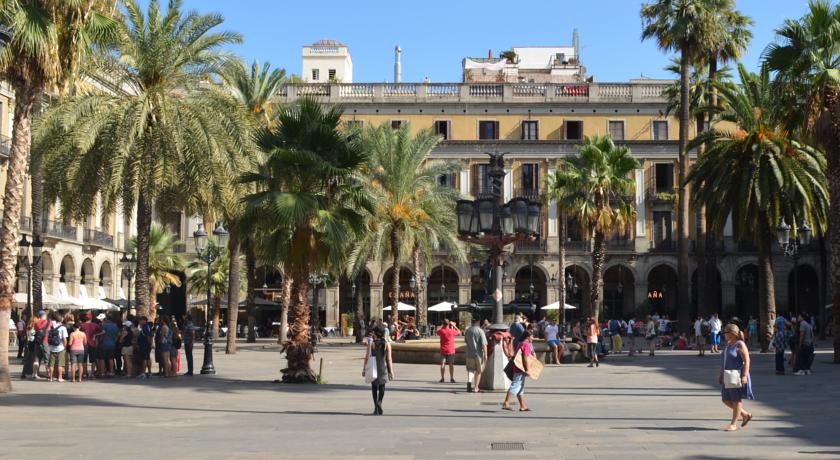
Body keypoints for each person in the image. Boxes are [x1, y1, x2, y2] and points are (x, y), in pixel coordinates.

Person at [719, 323, 753, 431]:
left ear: (732, 333)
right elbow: (724, 361)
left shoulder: (740, 344)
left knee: (736, 400)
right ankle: (745, 414)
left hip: (736, 375)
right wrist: (721, 375)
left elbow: (747, 360)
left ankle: (733, 424)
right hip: (727, 375)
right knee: (725, 399)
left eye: (726, 332)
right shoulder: (728, 345)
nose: (724, 334)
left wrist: (744, 376)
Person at [362, 326, 393, 415]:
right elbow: (389, 359)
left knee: (374, 387)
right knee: (382, 386)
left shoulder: (371, 343)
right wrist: (391, 371)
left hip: (373, 368)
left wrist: (364, 369)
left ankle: (376, 407)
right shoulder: (387, 344)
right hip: (383, 367)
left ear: (375, 334)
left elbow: (367, 357)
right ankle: (380, 402)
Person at [502, 330, 534, 412]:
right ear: (527, 337)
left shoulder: (521, 343)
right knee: (515, 385)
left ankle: (522, 406)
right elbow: (525, 357)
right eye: (532, 336)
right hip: (520, 369)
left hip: (517, 367)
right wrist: (527, 369)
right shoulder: (526, 344)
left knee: (520, 387)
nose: (533, 338)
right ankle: (506, 402)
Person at [464, 316, 488, 393]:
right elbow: (484, 344)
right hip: (478, 354)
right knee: (478, 371)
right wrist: (486, 355)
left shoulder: (468, 330)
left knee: (470, 369)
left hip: (469, 353)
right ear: (478, 322)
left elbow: (466, 341)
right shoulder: (480, 331)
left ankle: (469, 383)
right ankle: (476, 388)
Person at [78, 313, 102, 378]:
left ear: (85, 318)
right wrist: (95, 335)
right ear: (91, 318)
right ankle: (92, 374)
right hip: (93, 344)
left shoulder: (82, 325)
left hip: (84, 344)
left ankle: (85, 373)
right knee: (93, 360)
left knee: (84, 360)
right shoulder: (95, 325)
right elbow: (103, 331)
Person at [46, 313, 68, 382]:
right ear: (61, 319)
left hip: (52, 348)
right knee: (60, 364)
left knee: (51, 364)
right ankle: (60, 377)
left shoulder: (51, 327)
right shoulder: (63, 328)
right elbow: (64, 339)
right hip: (60, 348)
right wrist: (65, 347)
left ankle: (51, 378)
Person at [437, 318, 460, 383]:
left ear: (443, 324)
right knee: (451, 364)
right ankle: (452, 378)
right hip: (451, 350)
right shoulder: (451, 331)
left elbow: (437, 331)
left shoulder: (441, 331)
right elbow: (459, 331)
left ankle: (442, 378)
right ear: (448, 324)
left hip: (443, 350)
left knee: (442, 364)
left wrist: (442, 326)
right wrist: (453, 325)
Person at [32, 310, 50, 379]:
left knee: (36, 359)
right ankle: (49, 374)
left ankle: (34, 374)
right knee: (47, 359)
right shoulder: (48, 322)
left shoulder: (36, 323)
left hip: (37, 342)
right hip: (45, 341)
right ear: (43, 315)